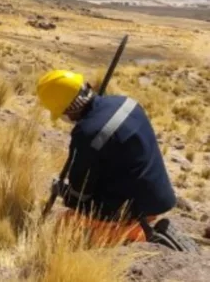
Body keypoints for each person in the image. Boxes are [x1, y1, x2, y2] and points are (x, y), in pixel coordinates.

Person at [36, 70, 179, 247]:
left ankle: (134, 235)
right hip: (159, 196)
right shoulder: (125, 102)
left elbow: (79, 197)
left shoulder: (87, 133)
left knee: (66, 222)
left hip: (134, 209)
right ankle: (136, 227)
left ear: (67, 110)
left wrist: (62, 191)